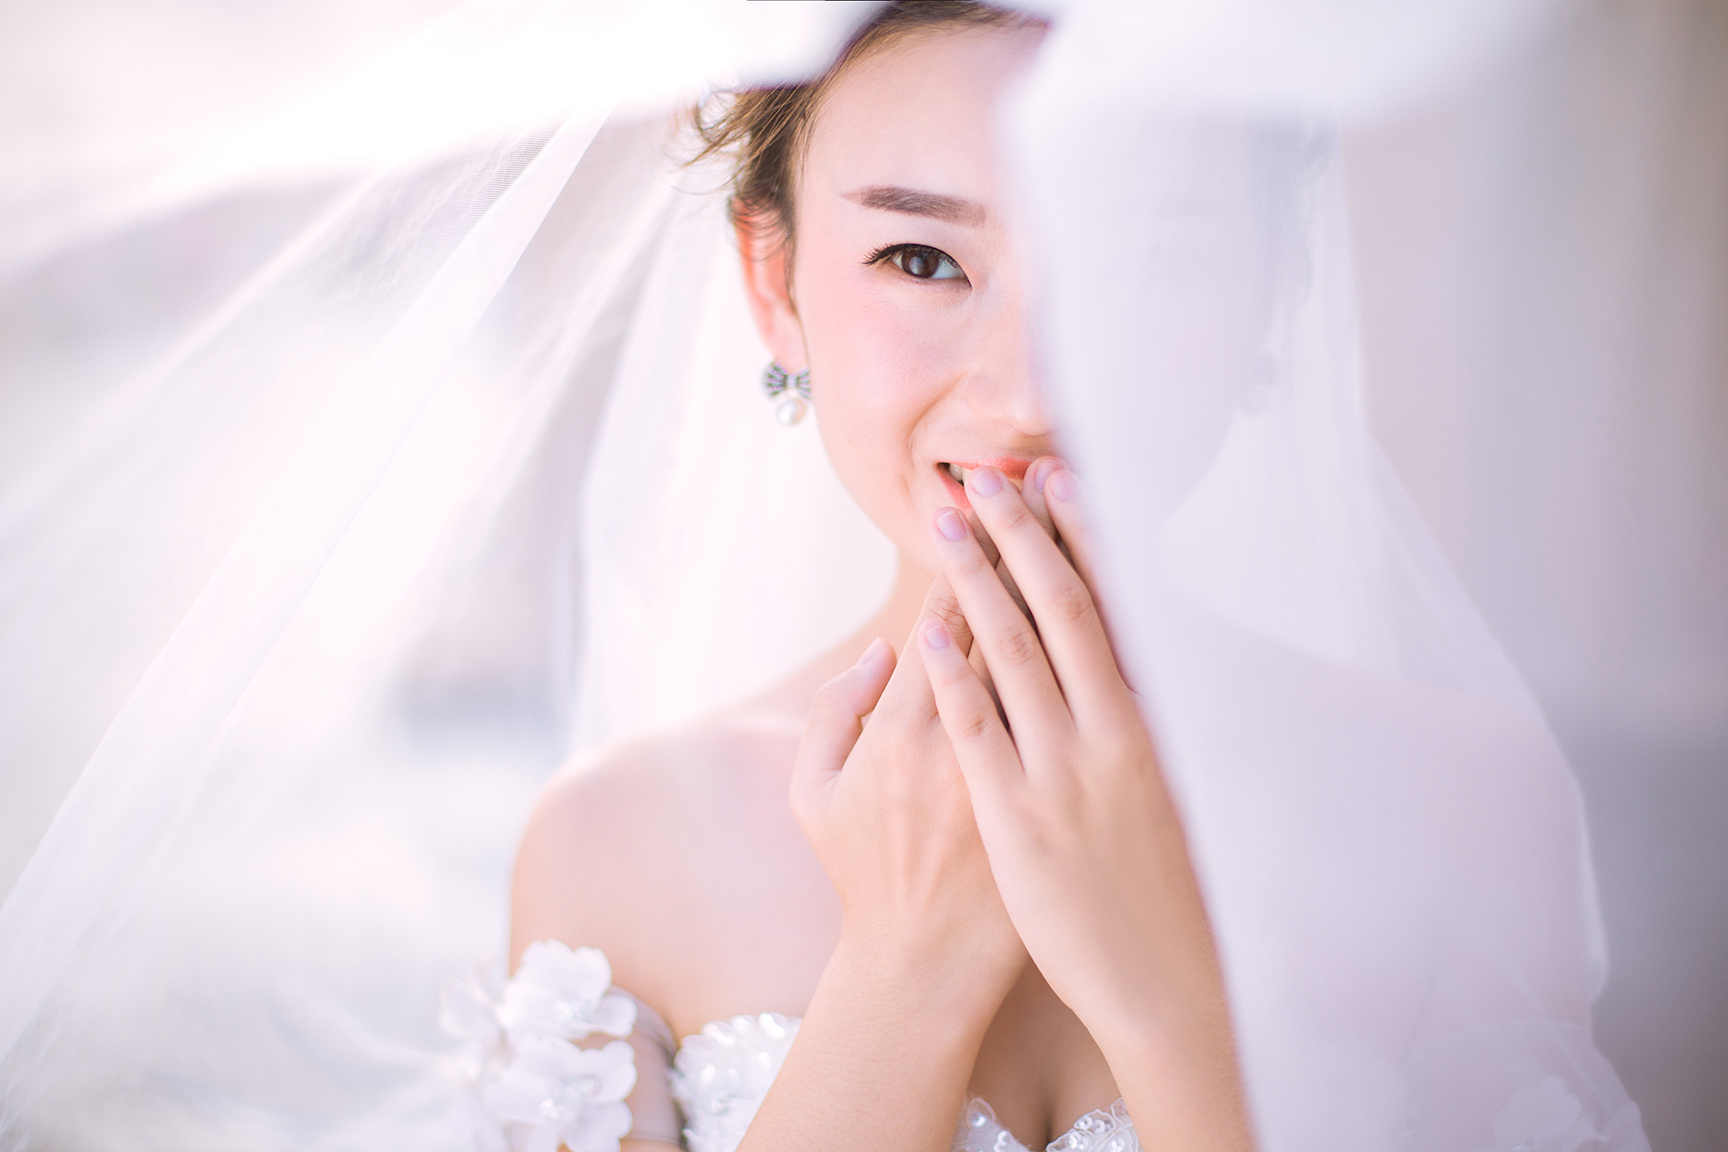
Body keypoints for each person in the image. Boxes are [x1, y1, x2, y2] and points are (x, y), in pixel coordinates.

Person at [506, 7, 1249, 1152]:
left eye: (1145, 265)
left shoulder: (1467, 810)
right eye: (922, 260)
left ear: (1272, 293)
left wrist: (1171, 1013)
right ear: (775, 285)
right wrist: (909, 962)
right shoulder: (615, 847)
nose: (1027, 397)